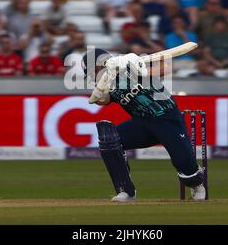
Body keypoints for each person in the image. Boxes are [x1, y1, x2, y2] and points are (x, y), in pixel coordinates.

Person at [82, 48, 205, 202]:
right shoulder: (108, 82)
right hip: (142, 124)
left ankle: (197, 184)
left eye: (93, 71)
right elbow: (100, 100)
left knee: (187, 170)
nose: (93, 77)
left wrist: (137, 70)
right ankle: (126, 191)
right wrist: (106, 81)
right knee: (110, 139)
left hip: (167, 119)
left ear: (100, 64)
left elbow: (166, 68)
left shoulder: (130, 66)